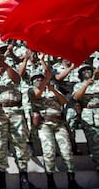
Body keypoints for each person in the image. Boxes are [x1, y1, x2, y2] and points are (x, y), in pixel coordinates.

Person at [0, 49, 37, 189]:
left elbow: (17, 79)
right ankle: (2, 180)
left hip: (16, 111)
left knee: (20, 144)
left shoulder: (10, 69)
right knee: (0, 145)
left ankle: (24, 178)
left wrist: (5, 66)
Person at [28, 56, 82, 189]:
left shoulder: (52, 88)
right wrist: (46, 80)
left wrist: (52, 89)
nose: (39, 80)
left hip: (59, 123)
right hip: (44, 125)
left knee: (67, 151)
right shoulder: (31, 90)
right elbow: (36, 95)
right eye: (36, 79)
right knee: (49, 151)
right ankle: (50, 181)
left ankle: (72, 180)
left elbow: (63, 101)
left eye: (40, 78)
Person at [72, 63, 99, 172]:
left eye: (88, 69)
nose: (86, 72)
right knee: (94, 143)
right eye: (83, 70)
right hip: (88, 115)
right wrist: (86, 84)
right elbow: (76, 97)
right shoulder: (78, 85)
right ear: (80, 74)